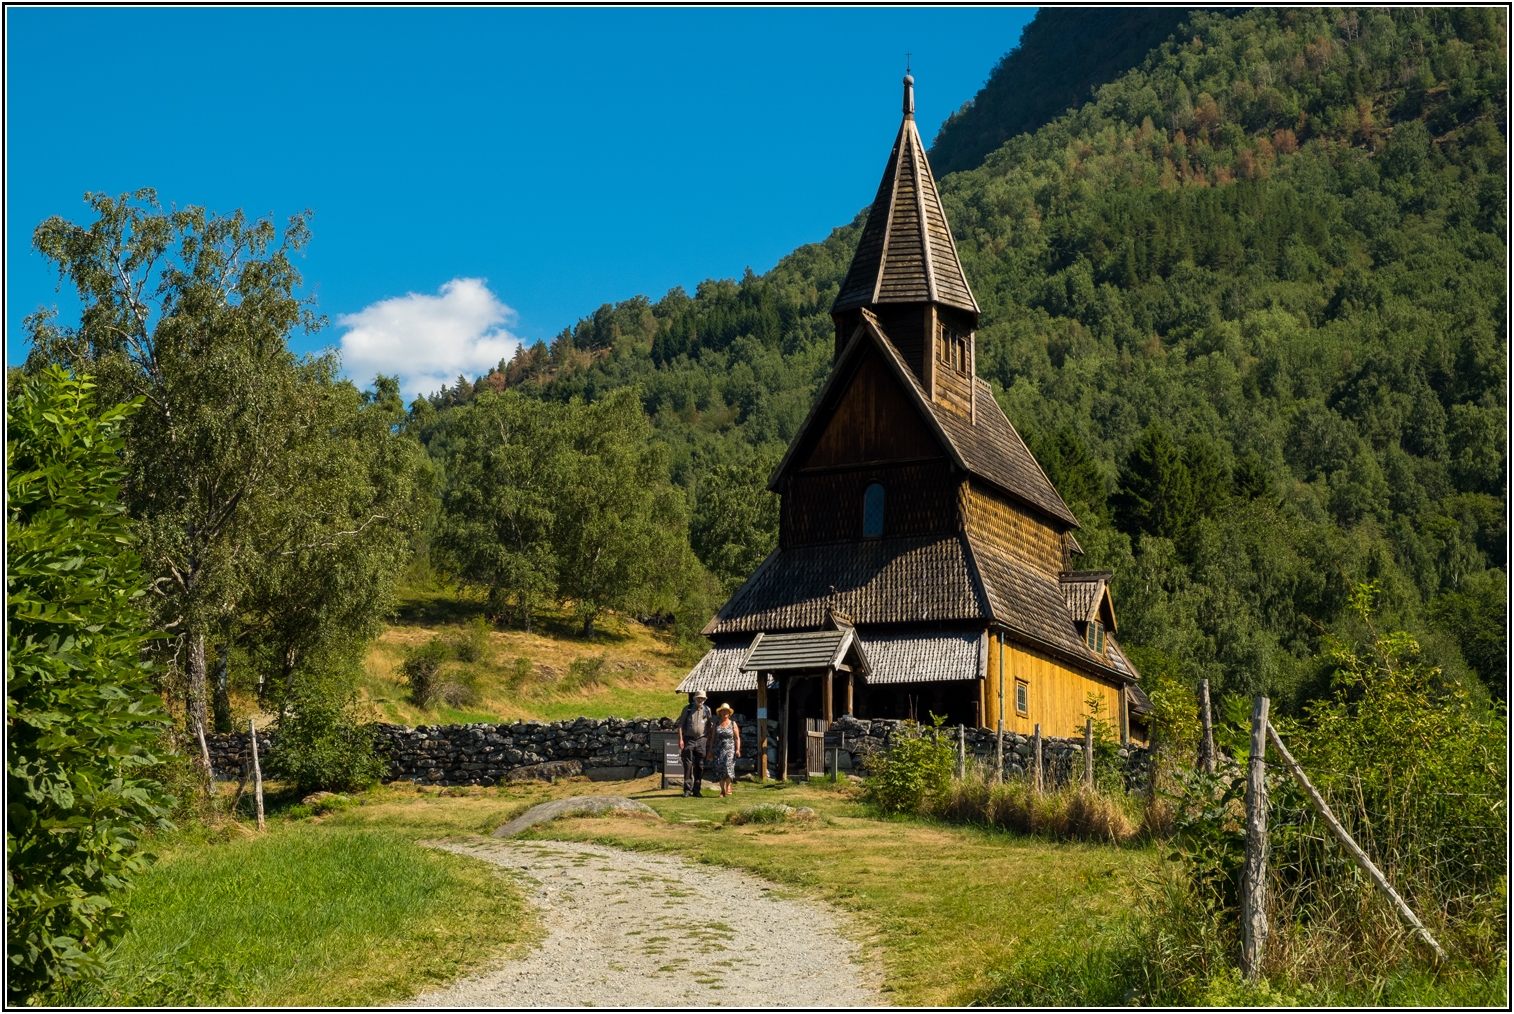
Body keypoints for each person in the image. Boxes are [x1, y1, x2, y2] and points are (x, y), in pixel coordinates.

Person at [676, 690, 713, 797]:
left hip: (701, 740)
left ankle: (697, 790)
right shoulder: (687, 709)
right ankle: (687, 789)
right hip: (688, 739)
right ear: (695, 699)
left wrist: (708, 737)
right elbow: (680, 725)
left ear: (705, 700)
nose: (700, 700)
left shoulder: (707, 710)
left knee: (700, 765)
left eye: (702, 698)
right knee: (688, 765)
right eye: (698, 698)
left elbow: (709, 725)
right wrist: (680, 739)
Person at [707, 703, 742, 798]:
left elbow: (737, 738)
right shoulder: (716, 724)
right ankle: (722, 791)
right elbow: (712, 738)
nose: (725, 712)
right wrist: (710, 749)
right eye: (723, 711)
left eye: (727, 711)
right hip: (718, 749)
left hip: (730, 749)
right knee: (719, 769)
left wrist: (738, 749)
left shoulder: (733, 724)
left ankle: (729, 786)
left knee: (727, 766)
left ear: (729, 713)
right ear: (720, 713)